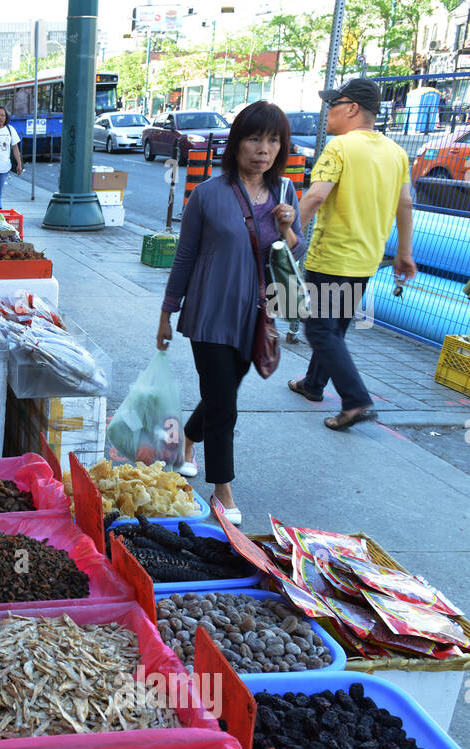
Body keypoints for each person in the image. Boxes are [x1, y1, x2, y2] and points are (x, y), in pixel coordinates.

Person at [156, 101, 305, 525]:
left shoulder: (285, 194)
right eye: (255, 138)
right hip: (209, 313)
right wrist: (167, 313)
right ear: (237, 142)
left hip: (256, 315)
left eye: (273, 140)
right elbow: (184, 257)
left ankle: (186, 437)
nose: (264, 149)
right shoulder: (208, 194)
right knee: (225, 405)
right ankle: (222, 491)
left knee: (223, 395)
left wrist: (289, 228)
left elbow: (292, 256)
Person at [288, 78, 417, 430]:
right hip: (366, 260)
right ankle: (313, 385)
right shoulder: (396, 152)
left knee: (318, 329)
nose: (328, 111)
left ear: (353, 108)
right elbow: (405, 204)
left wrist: (285, 237)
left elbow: (314, 197)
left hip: (332, 256)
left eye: (334, 103)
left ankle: (356, 400)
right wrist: (404, 252)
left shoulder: (340, 147)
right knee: (335, 329)